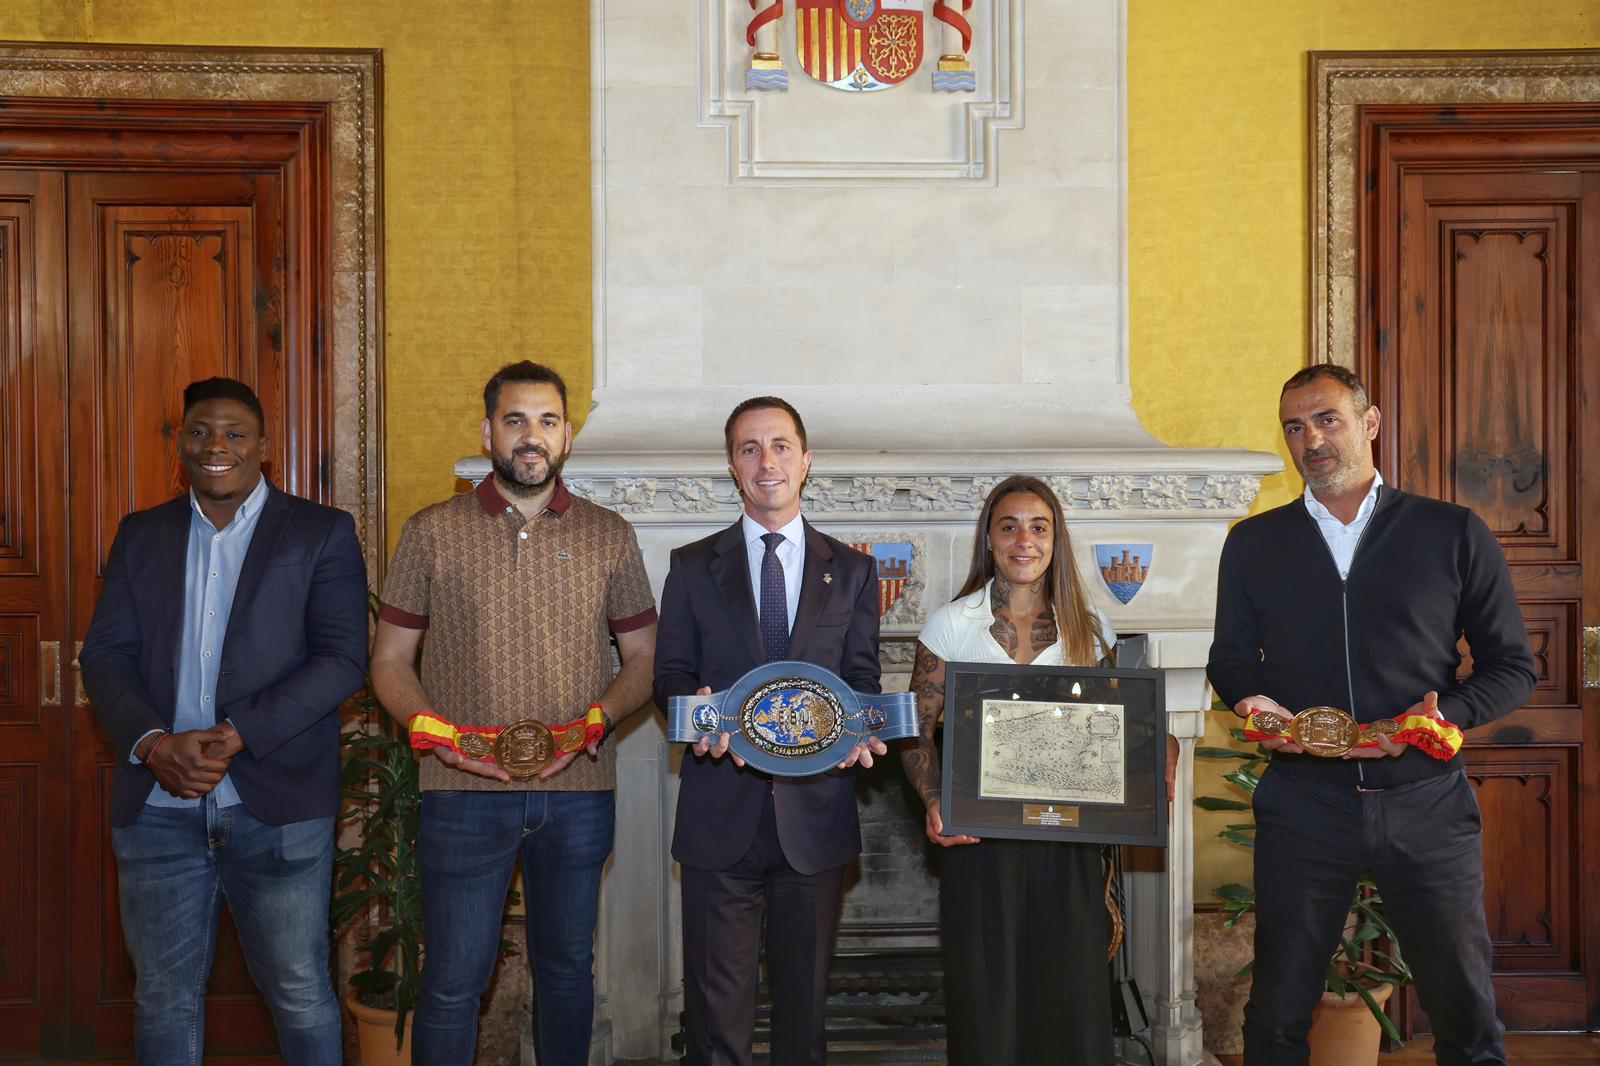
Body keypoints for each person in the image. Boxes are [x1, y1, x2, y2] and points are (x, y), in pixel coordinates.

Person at [1207, 364, 1535, 1066]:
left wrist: (1445, 714)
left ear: (1370, 422)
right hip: (1303, 803)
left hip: (1425, 801)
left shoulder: (1451, 532)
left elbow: (1514, 666)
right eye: (1295, 427)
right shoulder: (1254, 543)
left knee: (1467, 1017)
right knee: (1276, 1019)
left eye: (1327, 419)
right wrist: (1251, 701)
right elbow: (1230, 659)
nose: (1311, 439)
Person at [370, 360, 658, 1066]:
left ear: (568, 437)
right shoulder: (431, 531)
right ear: (489, 431)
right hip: (462, 792)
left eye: (548, 421)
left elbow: (646, 659)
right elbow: (389, 662)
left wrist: (593, 727)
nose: (532, 437)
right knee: (451, 984)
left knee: (566, 974)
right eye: (516, 420)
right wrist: (439, 740)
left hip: (578, 790)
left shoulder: (609, 534)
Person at [79, 377, 368, 1065]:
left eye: (236, 433)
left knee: (300, 991)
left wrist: (234, 734)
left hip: (279, 806)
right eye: (201, 431)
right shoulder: (140, 534)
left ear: (263, 447)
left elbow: (343, 660)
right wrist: (154, 744)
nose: (218, 446)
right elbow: (107, 655)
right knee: (162, 999)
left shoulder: (320, 531)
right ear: (180, 444)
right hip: (158, 808)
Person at [653, 396, 887, 1066]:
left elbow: (861, 681)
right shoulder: (693, 567)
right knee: (714, 1021)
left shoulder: (855, 570)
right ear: (732, 464)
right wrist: (693, 708)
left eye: (781, 445)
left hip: (814, 821)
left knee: (802, 1018)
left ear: (806, 461)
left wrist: (862, 733)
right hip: (718, 815)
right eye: (751, 447)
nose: (767, 461)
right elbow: (666, 676)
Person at [901, 475, 1119, 1066]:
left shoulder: (1092, 629)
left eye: (1039, 526)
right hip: (980, 838)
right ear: (990, 540)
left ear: (1056, 540)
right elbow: (915, 732)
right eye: (1009, 526)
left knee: (1070, 994)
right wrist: (932, 801)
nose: (1024, 540)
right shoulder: (950, 626)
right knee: (986, 995)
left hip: (1068, 838)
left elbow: (1120, 732)